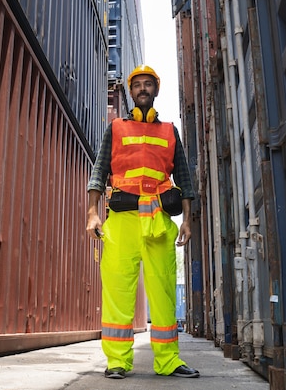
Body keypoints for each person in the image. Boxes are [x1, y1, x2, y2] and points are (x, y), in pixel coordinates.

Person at [86, 65, 199, 380]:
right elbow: (99, 170)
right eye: (138, 85)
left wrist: (187, 221)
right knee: (119, 288)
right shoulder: (116, 128)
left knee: (163, 289)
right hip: (122, 219)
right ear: (131, 91)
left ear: (156, 91)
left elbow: (185, 180)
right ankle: (118, 361)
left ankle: (168, 360)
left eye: (149, 84)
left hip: (159, 218)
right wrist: (92, 212)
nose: (143, 89)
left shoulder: (169, 131)